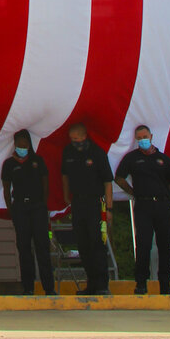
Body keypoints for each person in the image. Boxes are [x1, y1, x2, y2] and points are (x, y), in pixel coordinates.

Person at [115, 124, 170, 294]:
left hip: (162, 205)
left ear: (151, 136)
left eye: (145, 137)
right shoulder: (132, 158)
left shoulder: (163, 158)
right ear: (136, 140)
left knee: (165, 245)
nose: (142, 140)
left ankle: (165, 284)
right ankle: (141, 283)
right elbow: (119, 177)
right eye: (139, 138)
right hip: (143, 205)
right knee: (143, 245)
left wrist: (162, 193)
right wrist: (132, 192)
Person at [60, 122, 113, 294]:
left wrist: (109, 208)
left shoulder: (97, 153)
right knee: (83, 245)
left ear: (84, 136)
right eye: (71, 139)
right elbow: (65, 175)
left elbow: (107, 182)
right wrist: (67, 196)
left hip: (95, 203)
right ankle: (91, 285)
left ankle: (102, 285)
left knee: (97, 243)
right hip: (78, 203)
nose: (73, 141)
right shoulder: (68, 152)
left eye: (76, 138)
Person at [2, 130, 55, 296]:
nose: (22, 148)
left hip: (37, 207)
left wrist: (43, 204)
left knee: (42, 248)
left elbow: (45, 183)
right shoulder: (9, 164)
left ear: (29, 145)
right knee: (24, 248)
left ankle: (49, 288)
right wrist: (11, 210)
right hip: (20, 208)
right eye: (19, 145)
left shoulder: (37, 161)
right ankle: (28, 288)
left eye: (25, 145)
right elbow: (6, 188)